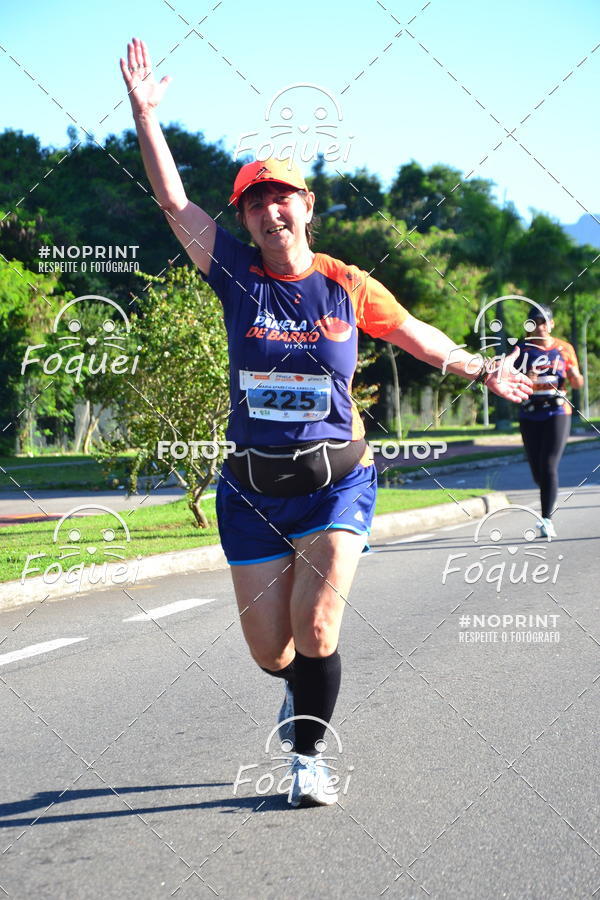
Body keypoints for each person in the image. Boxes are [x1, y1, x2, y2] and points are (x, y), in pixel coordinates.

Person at [120, 37, 533, 807]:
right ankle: (297, 689)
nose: (269, 209)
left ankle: (308, 758)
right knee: (270, 651)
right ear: (245, 218)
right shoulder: (235, 274)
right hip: (251, 494)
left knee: (317, 627)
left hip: (335, 483)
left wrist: (479, 366)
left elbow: (415, 335)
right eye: (254, 201)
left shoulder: (347, 284)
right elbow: (175, 204)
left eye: (282, 196)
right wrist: (146, 116)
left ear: (307, 206)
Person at [514, 307, 584, 538]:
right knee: (538, 472)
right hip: (529, 413)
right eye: (535, 322)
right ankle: (546, 501)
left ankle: (546, 520)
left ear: (552, 324)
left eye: (544, 322)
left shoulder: (564, 348)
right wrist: (527, 379)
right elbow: (511, 385)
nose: (540, 327)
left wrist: (575, 376)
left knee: (548, 464)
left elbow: (578, 383)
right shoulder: (522, 351)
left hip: (557, 411)